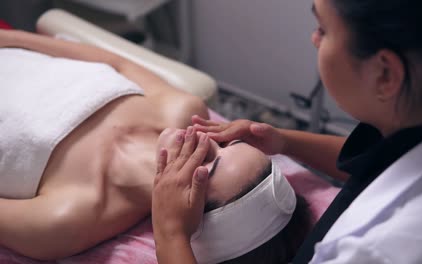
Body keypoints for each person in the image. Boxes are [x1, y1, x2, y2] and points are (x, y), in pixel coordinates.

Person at [151, 0, 422, 263]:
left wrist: (169, 231)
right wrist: (285, 140)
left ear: (385, 75)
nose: (314, 39)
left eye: (324, 30)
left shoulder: (385, 250)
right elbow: (383, 168)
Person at [0, 29, 311, 263]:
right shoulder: (181, 109)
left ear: (189, 218)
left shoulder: (67, 219)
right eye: (227, 142)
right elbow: (114, 62)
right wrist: (12, 38)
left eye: (207, 166)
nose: (203, 138)